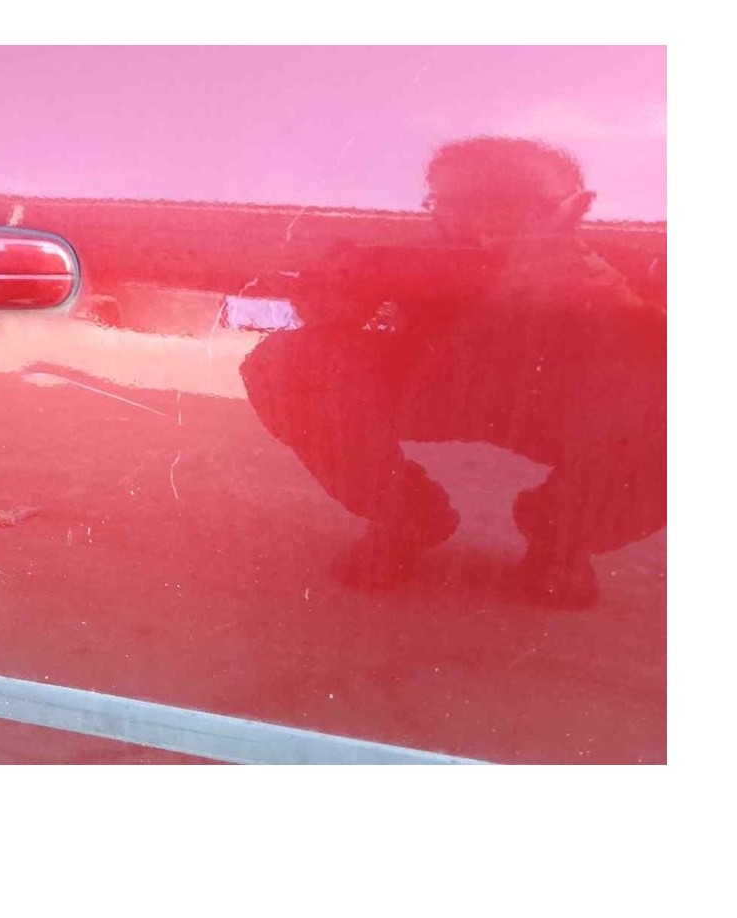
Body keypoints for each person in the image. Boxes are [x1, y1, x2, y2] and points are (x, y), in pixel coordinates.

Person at [240, 137, 666, 608]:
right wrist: (328, 302)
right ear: (434, 205)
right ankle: (404, 517)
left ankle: (564, 536)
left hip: (561, 403)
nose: (483, 221)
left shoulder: (619, 265)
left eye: (514, 202)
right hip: (438, 385)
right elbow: (332, 333)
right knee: (288, 363)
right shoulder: (404, 258)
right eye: (460, 203)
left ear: (576, 206)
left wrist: (617, 302)